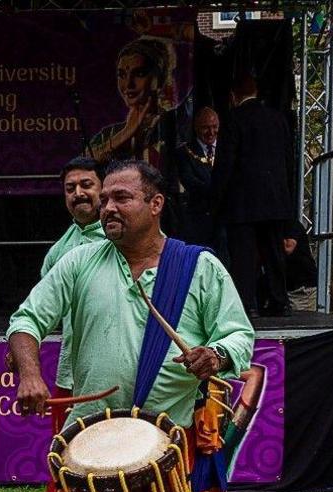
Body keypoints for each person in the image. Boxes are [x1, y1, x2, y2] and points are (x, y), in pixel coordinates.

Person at [7, 161, 254, 492]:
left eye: (123, 198)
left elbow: (240, 335)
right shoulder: (79, 262)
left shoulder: (199, 267)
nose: (108, 207)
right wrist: (29, 370)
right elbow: (26, 319)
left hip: (167, 441)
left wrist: (217, 354)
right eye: (107, 199)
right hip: (89, 442)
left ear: (156, 203)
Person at [7, 156, 106, 492]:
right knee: (68, 461)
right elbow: (37, 313)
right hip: (70, 375)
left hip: (115, 374)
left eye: (87, 185)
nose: (79, 194)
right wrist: (21, 352)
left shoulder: (130, 241)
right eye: (71, 188)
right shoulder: (60, 252)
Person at [212, 73, 295, 317]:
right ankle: (280, 301)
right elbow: (288, 162)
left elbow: (226, 162)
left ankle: (247, 304)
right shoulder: (279, 119)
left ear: (233, 96)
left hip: (243, 202)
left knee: (244, 256)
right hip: (275, 200)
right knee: (274, 252)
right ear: (256, 91)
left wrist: (216, 200)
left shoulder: (233, 119)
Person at [87, 37, 179, 168]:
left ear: (159, 78)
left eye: (139, 73)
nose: (128, 84)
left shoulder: (178, 127)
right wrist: (126, 133)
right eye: (122, 75)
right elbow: (80, 169)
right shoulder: (110, 134)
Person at [175, 107, 224, 254]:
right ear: (196, 128)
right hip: (198, 220)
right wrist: (219, 190)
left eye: (215, 127)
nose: (211, 132)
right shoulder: (184, 152)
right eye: (206, 128)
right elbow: (189, 180)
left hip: (223, 222)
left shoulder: (227, 148)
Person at [284, 225, 317, 312]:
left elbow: (288, 247)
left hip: (300, 287)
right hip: (288, 285)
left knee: (300, 320)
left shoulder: (291, 225)